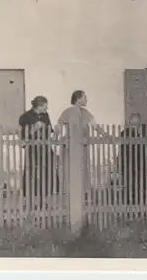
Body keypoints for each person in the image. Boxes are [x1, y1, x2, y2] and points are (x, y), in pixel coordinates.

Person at [55, 90, 107, 232]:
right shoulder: (68, 112)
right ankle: (71, 206)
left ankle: (81, 206)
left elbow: (95, 126)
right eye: (85, 98)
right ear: (78, 99)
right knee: (71, 176)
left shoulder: (86, 113)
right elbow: (59, 125)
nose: (86, 100)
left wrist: (106, 135)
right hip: (70, 149)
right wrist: (56, 137)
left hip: (82, 148)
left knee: (82, 176)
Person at [19, 96, 59, 208]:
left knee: (47, 173)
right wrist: (34, 128)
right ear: (39, 105)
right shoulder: (25, 117)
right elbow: (22, 136)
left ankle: (45, 199)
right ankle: (30, 200)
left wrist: (53, 135)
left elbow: (49, 131)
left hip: (45, 148)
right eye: (45, 106)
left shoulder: (45, 115)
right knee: (31, 173)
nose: (47, 108)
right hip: (32, 149)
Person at [118, 113, 147, 205]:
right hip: (131, 165)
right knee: (132, 187)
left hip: (142, 164)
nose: (134, 126)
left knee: (142, 186)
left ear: (139, 122)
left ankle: (140, 207)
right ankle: (132, 208)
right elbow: (121, 151)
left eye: (136, 124)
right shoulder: (124, 133)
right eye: (132, 124)